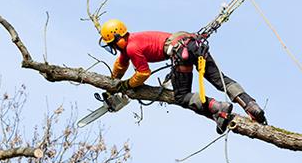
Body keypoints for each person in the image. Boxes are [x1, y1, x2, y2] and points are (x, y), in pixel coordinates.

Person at [99, 19, 267, 133]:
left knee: (182, 96)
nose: (114, 47)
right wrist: (112, 84)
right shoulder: (134, 41)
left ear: (118, 37)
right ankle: (251, 105)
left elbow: (143, 73)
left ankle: (218, 109)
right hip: (192, 45)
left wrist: (125, 85)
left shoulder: (131, 47)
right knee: (219, 80)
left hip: (181, 54)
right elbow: (120, 65)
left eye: (113, 43)